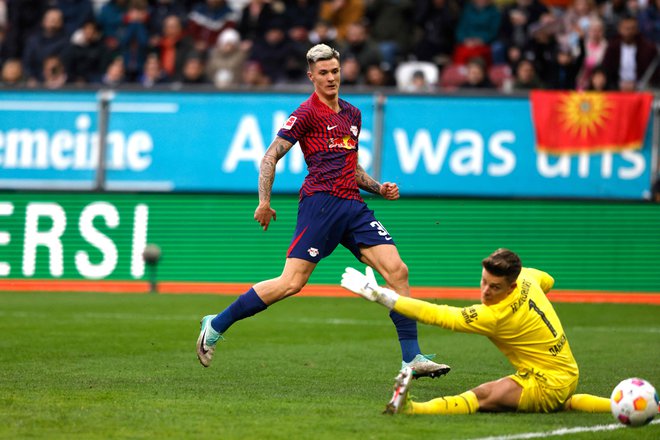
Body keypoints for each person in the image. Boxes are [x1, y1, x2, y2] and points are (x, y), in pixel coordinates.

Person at [196, 43, 450, 380]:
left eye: (335, 71)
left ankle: (412, 358)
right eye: (324, 73)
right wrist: (264, 201)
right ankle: (216, 324)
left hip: (354, 207)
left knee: (397, 271)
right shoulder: (306, 114)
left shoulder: (352, 114)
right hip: (321, 204)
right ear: (311, 76)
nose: (331, 78)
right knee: (291, 283)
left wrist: (378, 188)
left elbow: (353, 169)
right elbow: (270, 156)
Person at [340, 248, 612, 415]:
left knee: (482, 397)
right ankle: (620, 406)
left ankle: (413, 409)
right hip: (567, 373)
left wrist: (384, 297)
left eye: (494, 287)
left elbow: (439, 315)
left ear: (512, 286)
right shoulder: (528, 278)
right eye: (484, 281)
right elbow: (547, 280)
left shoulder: (495, 315)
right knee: (565, 402)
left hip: (545, 385)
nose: (485, 291)